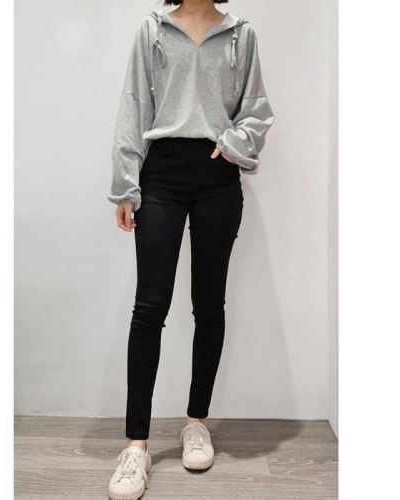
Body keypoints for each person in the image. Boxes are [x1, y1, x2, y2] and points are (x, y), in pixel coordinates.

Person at [107, 1, 274, 498]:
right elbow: (133, 104)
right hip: (161, 173)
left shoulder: (241, 35)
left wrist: (232, 144)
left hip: (217, 176)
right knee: (149, 306)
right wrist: (126, 185)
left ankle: (196, 422)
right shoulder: (152, 30)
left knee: (209, 304)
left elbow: (257, 110)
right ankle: (136, 446)